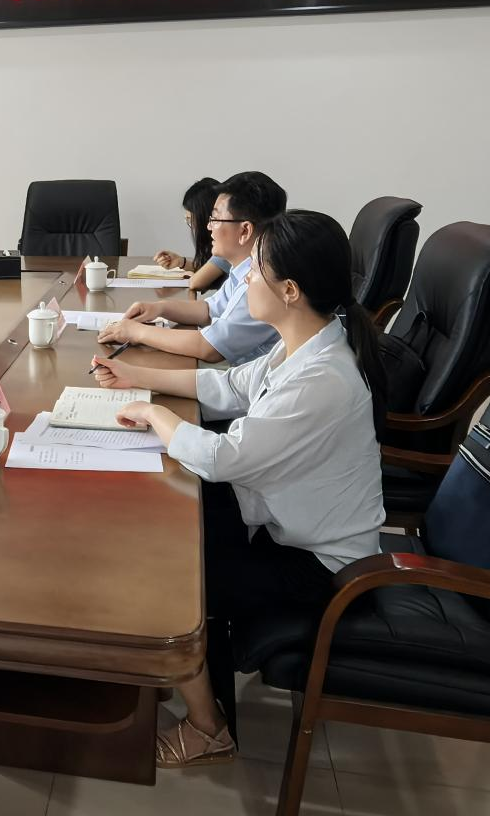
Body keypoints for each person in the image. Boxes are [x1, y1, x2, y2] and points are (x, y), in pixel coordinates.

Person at [91, 210, 386, 767]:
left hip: (323, 568)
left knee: (162, 585)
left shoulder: (322, 378)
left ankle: (208, 728)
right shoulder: (306, 343)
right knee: (162, 522)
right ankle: (167, 671)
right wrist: (137, 378)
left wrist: (154, 415)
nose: (244, 278)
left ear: (290, 290)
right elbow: (229, 385)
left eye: (256, 270)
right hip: (285, 524)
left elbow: (223, 457)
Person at [99, 171, 286, 364]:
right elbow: (209, 309)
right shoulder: (244, 269)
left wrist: (137, 332)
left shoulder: (261, 280)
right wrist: (158, 308)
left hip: (251, 379)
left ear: (245, 230)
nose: (209, 227)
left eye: (215, 219)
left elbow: (209, 348)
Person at [152, 177, 231, 293]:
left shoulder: (227, 246)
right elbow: (208, 270)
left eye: (190, 220)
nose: (192, 227)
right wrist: (181, 262)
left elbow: (196, 282)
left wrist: (191, 275)